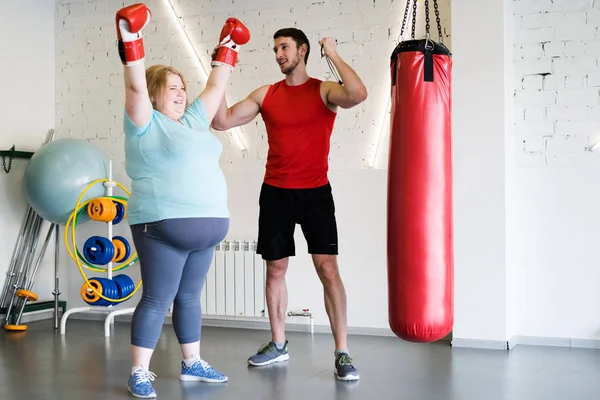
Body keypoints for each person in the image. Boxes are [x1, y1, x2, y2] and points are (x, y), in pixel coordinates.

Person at [211, 27, 368, 381]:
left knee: (328, 269)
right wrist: (220, 66)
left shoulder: (324, 90)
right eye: (275, 49)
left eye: (284, 47)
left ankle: (342, 352)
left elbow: (358, 93)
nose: (279, 54)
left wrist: (333, 53)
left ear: (303, 50)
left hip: (315, 193)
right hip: (276, 192)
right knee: (275, 269)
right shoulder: (267, 94)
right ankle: (278, 343)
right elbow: (221, 121)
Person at [115, 4, 250, 398]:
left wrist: (227, 46)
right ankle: (139, 371)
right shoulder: (144, 123)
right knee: (157, 298)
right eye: (171, 87)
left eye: (182, 86)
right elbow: (135, 86)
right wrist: (130, 37)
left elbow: (214, 89)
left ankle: (192, 363)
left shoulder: (192, 121)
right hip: (160, 225)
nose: (180, 92)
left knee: (190, 297)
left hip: (206, 228)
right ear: (156, 93)